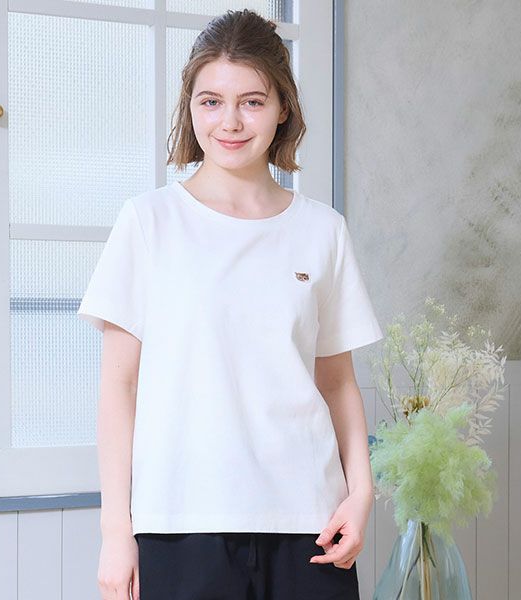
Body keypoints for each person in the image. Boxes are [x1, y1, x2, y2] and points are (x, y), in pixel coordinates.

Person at [78, 8, 383, 600]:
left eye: (253, 101)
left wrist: (360, 492)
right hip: (180, 522)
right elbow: (119, 386)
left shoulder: (323, 230)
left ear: (283, 107)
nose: (231, 122)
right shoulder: (148, 223)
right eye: (211, 101)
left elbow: (337, 381)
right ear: (190, 108)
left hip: (310, 521)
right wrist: (116, 529)